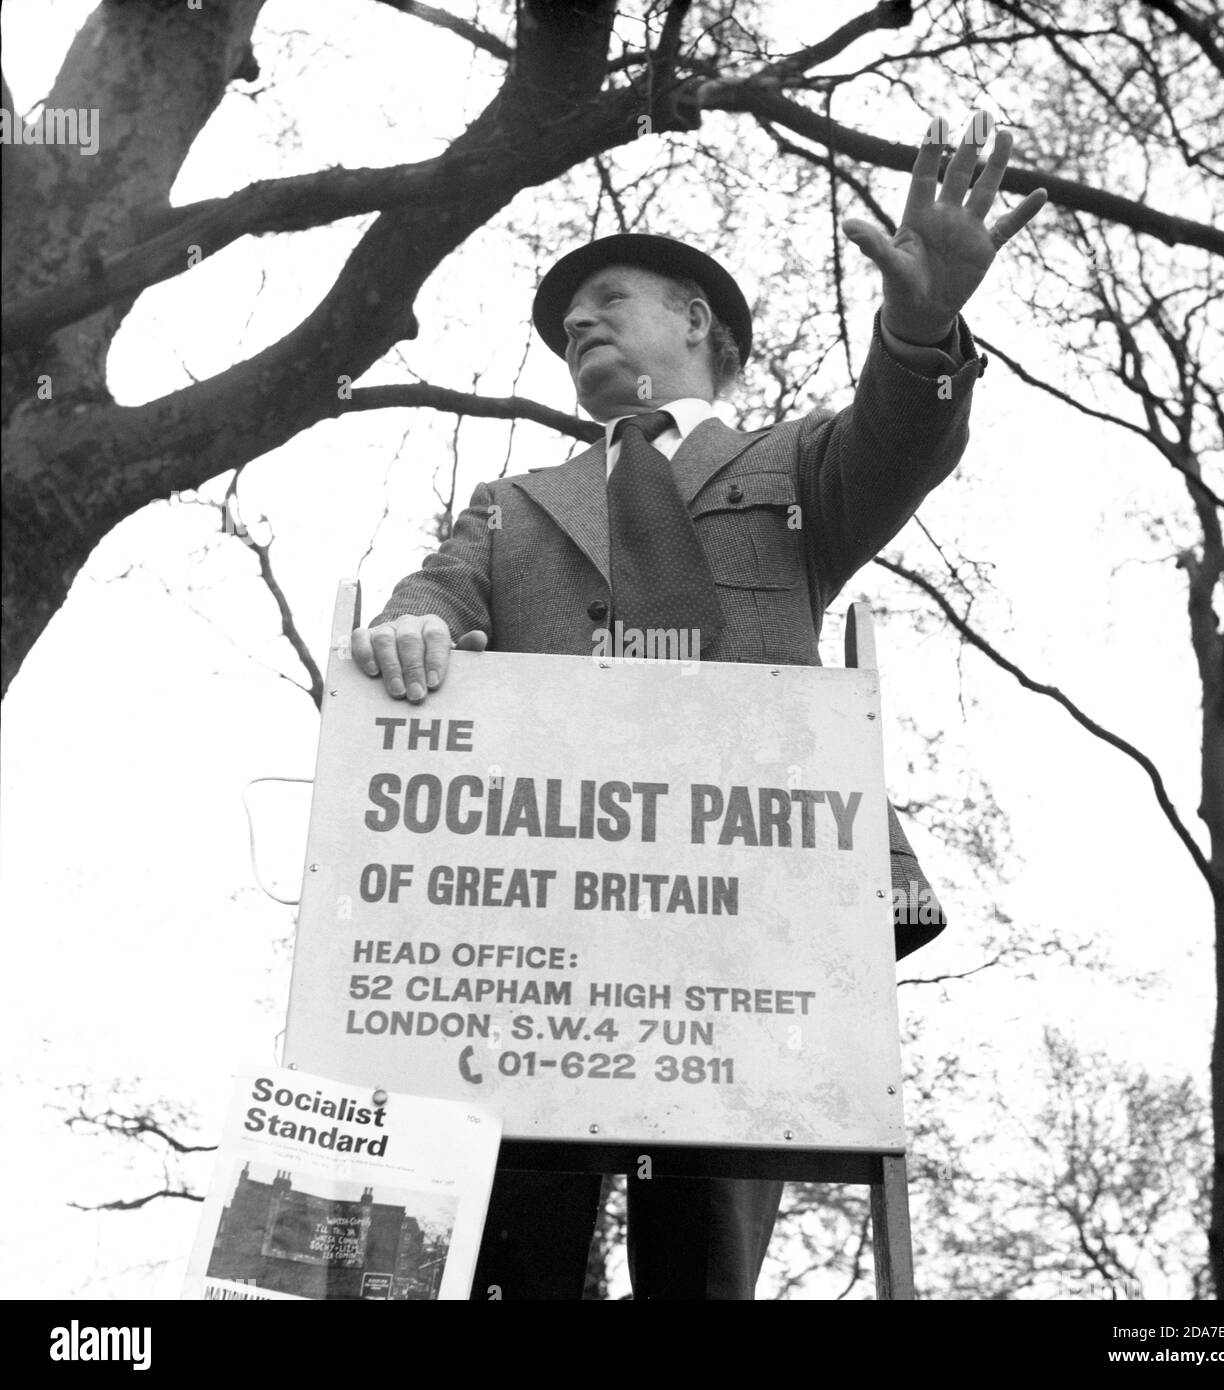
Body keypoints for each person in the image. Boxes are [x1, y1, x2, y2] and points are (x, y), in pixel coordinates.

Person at [352, 114, 1046, 1299]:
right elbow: (440, 583)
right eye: (567, 320)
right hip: (538, 932)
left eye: (608, 297)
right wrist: (413, 620)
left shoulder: (795, 466)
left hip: (752, 918)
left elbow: (902, 432)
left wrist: (923, 326)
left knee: (706, 1255)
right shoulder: (517, 501)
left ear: (696, 323)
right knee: (512, 1246)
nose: (579, 322)